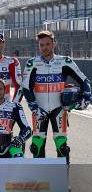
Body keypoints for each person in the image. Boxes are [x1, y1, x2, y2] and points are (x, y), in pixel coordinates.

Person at [22, 30, 91, 162]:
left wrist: (85, 99)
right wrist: (34, 107)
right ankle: (40, 180)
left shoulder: (65, 61)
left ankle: (63, 180)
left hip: (59, 109)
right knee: (37, 145)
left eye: (47, 44)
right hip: (39, 110)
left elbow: (84, 81)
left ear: (54, 44)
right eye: (41, 45)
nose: (44, 47)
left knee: (61, 146)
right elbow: (25, 88)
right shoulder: (32, 63)